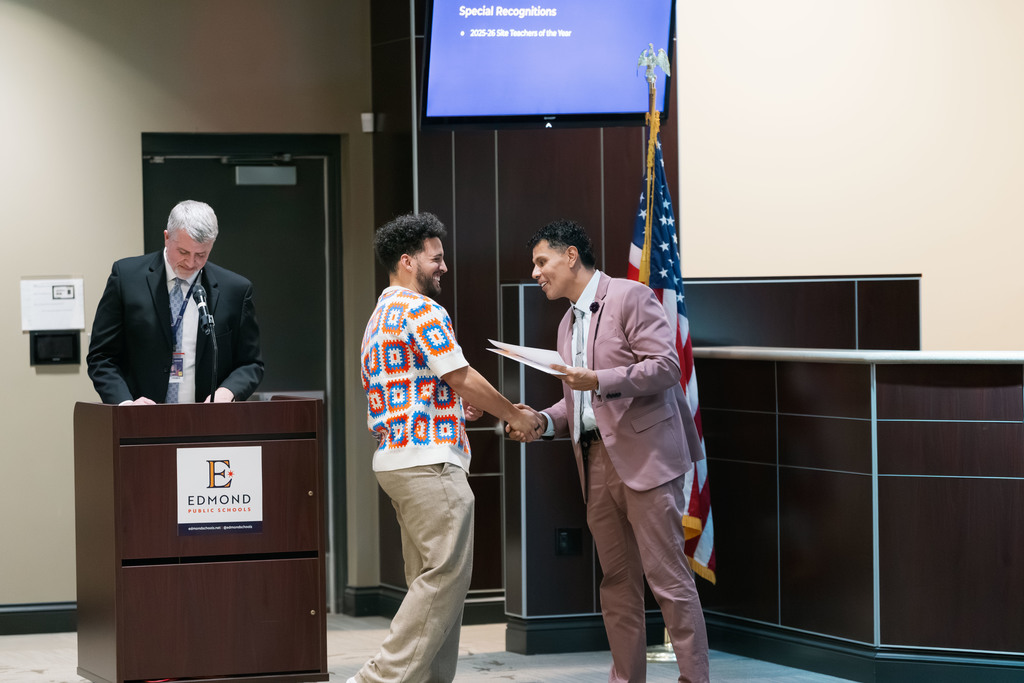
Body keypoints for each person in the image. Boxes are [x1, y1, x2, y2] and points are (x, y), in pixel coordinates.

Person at [516, 219, 710, 683]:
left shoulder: (629, 296)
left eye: (541, 262)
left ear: (570, 256)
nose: (535, 273)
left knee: (668, 581)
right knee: (617, 584)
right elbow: (576, 402)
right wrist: (542, 422)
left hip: (646, 460)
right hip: (595, 462)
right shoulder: (566, 324)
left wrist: (599, 379)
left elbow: (665, 366)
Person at [353, 212, 541, 683]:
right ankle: (376, 679)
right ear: (407, 260)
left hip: (398, 461)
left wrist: (457, 408)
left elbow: (417, 386)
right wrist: (514, 415)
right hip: (430, 467)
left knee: (435, 588)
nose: (444, 266)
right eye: (436, 258)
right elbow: (460, 375)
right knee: (443, 582)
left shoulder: (380, 316)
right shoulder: (422, 309)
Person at [87, 199, 263, 405]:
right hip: (138, 420)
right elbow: (101, 357)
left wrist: (227, 392)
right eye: (183, 252)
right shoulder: (126, 278)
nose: (191, 263)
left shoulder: (235, 290)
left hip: (208, 423)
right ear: (167, 237)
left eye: (201, 255)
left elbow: (251, 364)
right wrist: (125, 404)